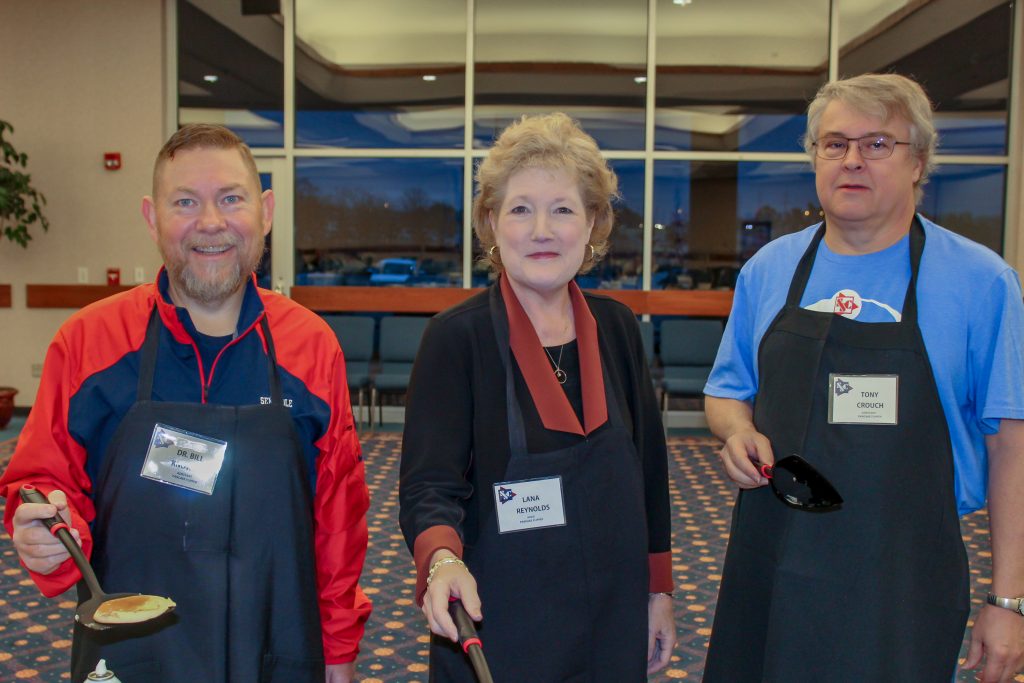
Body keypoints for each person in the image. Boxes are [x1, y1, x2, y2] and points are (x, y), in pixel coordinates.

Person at [0, 124, 371, 683]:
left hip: (275, 645)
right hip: (133, 650)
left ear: (265, 211)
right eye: (185, 202)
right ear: (152, 219)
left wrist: (338, 656)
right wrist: (40, 532)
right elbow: (39, 483)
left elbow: (338, 522)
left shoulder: (310, 344)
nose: (211, 222)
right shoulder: (88, 342)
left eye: (230, 198)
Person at [702, 73, 1024, 682]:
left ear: (918, 162)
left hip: (901, 576)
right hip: (772, 558)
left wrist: (1009, 601)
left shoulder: (980, 282)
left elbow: (1012, 446)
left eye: (877, 144)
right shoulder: (771, 268)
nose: (852, 160)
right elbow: (726, 391)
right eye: (834, 143)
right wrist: (734, 431)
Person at [398, 112, 676, 681]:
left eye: (564, 209)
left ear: (594, 222)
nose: (542, 229)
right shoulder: (457, 337)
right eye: (521, 208)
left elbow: (649, 474)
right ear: (492, 222)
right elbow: (430, 485)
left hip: (612, 620)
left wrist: (659, 593)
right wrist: (442, 561)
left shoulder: (619, 328)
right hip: (503, 625)